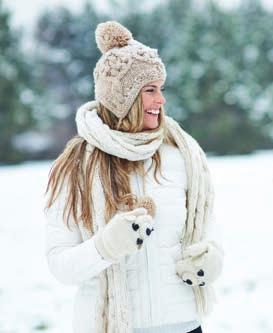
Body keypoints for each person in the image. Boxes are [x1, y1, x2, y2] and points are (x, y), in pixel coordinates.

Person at [45, 21, 223, 333]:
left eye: (161, 89)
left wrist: (211, 258)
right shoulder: (77, 166)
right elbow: (60, 265)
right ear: (120, 99)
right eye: (149, 90)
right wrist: (105, 246)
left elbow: (207, 230)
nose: (161, 100)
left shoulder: (181, 153)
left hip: (184, 326)